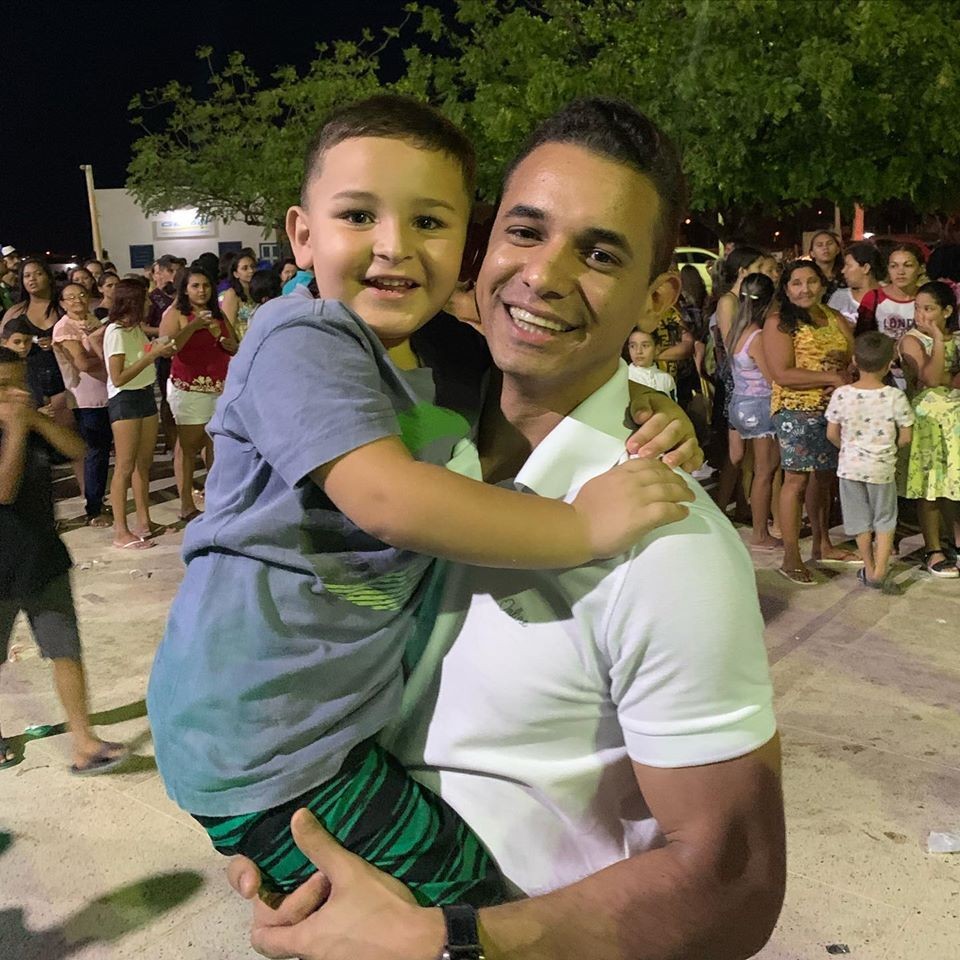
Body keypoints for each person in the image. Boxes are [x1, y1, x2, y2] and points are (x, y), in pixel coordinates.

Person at [226, 96, 783, 960]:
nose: (546, 274)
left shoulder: (666, 543)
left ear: (658, 293)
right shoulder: (399, 429)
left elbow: (735, 883)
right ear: (483, 249)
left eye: (599, 253)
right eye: (525, 232)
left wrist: (449, 943)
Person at [0, 346, 128, 774]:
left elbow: (78, 449)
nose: (16, 394)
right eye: (4, 385)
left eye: (21, 383)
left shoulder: (28, 421)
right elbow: (4, 492)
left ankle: (84, 742)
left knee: (65, 651)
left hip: (43, 561)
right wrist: (18, 430)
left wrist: (35, 421)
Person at [764, 260, 856, 584]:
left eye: (811, 281)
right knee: (796, 481)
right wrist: (830, 375)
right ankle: (791, 556)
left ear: (822, 283)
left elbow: (852, 357)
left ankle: (823, 544)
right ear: (786, 289)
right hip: (795, 409)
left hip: (831, 411)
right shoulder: (779, 323)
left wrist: (846, 372)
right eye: (797, 283)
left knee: (824, 480)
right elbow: (782, 373)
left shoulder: (834, 318)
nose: (805, 289)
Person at [825, 332, 913, 593]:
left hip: (850, 467)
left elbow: (831, 433)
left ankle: (868, 565)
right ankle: (881, 571)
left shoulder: (842, 394)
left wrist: (849, 449)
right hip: (882, 468)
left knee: (859, 520)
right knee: (885, 519)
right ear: (889, 365)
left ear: (854, 360)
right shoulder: (895, 397)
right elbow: (906, 437)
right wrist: (885, 449)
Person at [158, 265, 237, 521]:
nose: (201, 290)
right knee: (188, 448)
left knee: (215, 446)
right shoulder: (176, 313)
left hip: (219, 387)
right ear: (185, 289)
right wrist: (194, 327)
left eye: (205, 285)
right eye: (195, 286)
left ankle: (214, 500)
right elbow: (167, 348)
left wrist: (227, 343)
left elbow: (235, 344)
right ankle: (186, 504)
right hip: (190, 388)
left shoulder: (218, 313)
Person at [103, 279, 176, 549]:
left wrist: (158, 349)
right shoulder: (115, 332)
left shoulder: (134, 329)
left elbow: (139, 354)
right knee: (123, 467)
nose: (148, 304)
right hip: (126, 400)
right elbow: (118, 376)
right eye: (144, 299)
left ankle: (144, 521)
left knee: (143, 465)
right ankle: (120, 531)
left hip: (145, 394)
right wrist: (151, 355)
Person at [898, 281, 960, 579]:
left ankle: (957, 542)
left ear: (947, 310)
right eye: (917, 308)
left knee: (955, 486)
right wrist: (936, 338)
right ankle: (933, 547)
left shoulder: (958, 338)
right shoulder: (912, 340)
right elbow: (932, 378)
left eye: (929, 309)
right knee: (931, 487)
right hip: (927, 423)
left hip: (956, 423)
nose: (921, 315)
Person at [726, 272, 782, 549]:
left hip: (739, 402)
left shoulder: (737, 330)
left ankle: (759, 525)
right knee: (765, 471)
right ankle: (760, 532)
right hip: (759, 406)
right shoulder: (758, 337)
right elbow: (772, 377)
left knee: (754, 467)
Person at [52, 283, 112, 527]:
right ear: (62, 303)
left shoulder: (92, 320)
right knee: (95, 451)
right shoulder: (64, 328)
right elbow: (83, 364)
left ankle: (99, 499)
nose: (77, 300)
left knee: (103, 450)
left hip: (106, 392)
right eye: (70, 297)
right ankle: (94, 508)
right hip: (85, 398)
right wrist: (111, 363)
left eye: (81, 295)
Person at [2, 259, 71, 431]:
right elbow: (3, 348)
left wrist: (57, 344)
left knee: (67, 437)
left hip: (65, 380)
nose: (32, 279)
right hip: (30, 381)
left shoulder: (63, 308)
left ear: (48, 277)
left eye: (38, 274)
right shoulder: (16, 312)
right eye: (27, 276)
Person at [855, 243, 924, 387]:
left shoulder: (927, 298)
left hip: (920, 375)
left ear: (921, 268)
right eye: (894, 266)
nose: (900, 272)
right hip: (883, 376)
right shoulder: (873, 298)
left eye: (908, 265)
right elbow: (862, 338)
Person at [829, 242, 883, 326]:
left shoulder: (891, 296)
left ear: (865, 268)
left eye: (848, 265)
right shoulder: (839, 297)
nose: (843, 271)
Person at [625, 327, 676, 399]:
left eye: (645, 346)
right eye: (633, 346)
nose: (638, 351)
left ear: (657, 349)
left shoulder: (666, 378)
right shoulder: (624, 377)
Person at [218, 249, 257, 340]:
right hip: (241, 343)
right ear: (236, 274)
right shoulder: (232, 294)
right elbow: (228, 326)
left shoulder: (258, 291)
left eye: (253, 266)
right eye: (245, 268)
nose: (251, 271)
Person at [808, 230, 844, 298]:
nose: (825, 248)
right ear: (812, 253)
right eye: (819, 245)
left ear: (838, 250)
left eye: (829, 243)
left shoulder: (846, 275)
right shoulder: (806, 275)